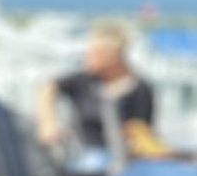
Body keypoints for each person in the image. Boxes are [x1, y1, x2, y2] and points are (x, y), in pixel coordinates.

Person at [36, 20, 155, 153]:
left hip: (122, 158)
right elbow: (48, 88)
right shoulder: (84, 81)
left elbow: (141, 130)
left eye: (93, 53)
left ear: (111, 57)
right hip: (82, 155)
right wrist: (48, 124)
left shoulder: (139, 89)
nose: (86, 57)